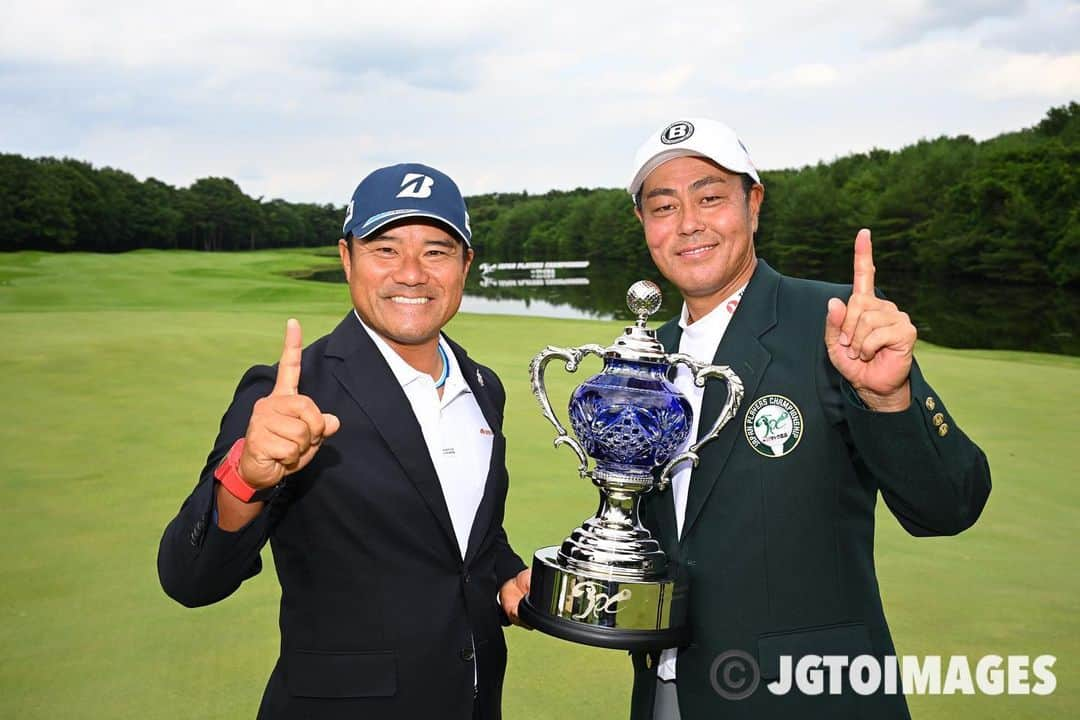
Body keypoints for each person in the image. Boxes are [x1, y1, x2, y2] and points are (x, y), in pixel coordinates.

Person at [623, 119, 992, 719]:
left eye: (710, 197)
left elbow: (950, 505)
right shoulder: (647, 357)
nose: (688, 222)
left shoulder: (833, 324)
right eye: (664, 206)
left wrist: (889, 399)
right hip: (670, 693)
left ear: (754, 202)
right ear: (644, 225)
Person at [157, 162, 531, 720]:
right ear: (346, 257)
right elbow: (191, 579)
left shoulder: (483, 386)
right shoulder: (292, 392)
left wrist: (505, 574)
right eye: (385, 249)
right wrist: (247, 477)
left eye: (436, 251)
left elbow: (464, 535)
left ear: (465, 265)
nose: (412, 273)